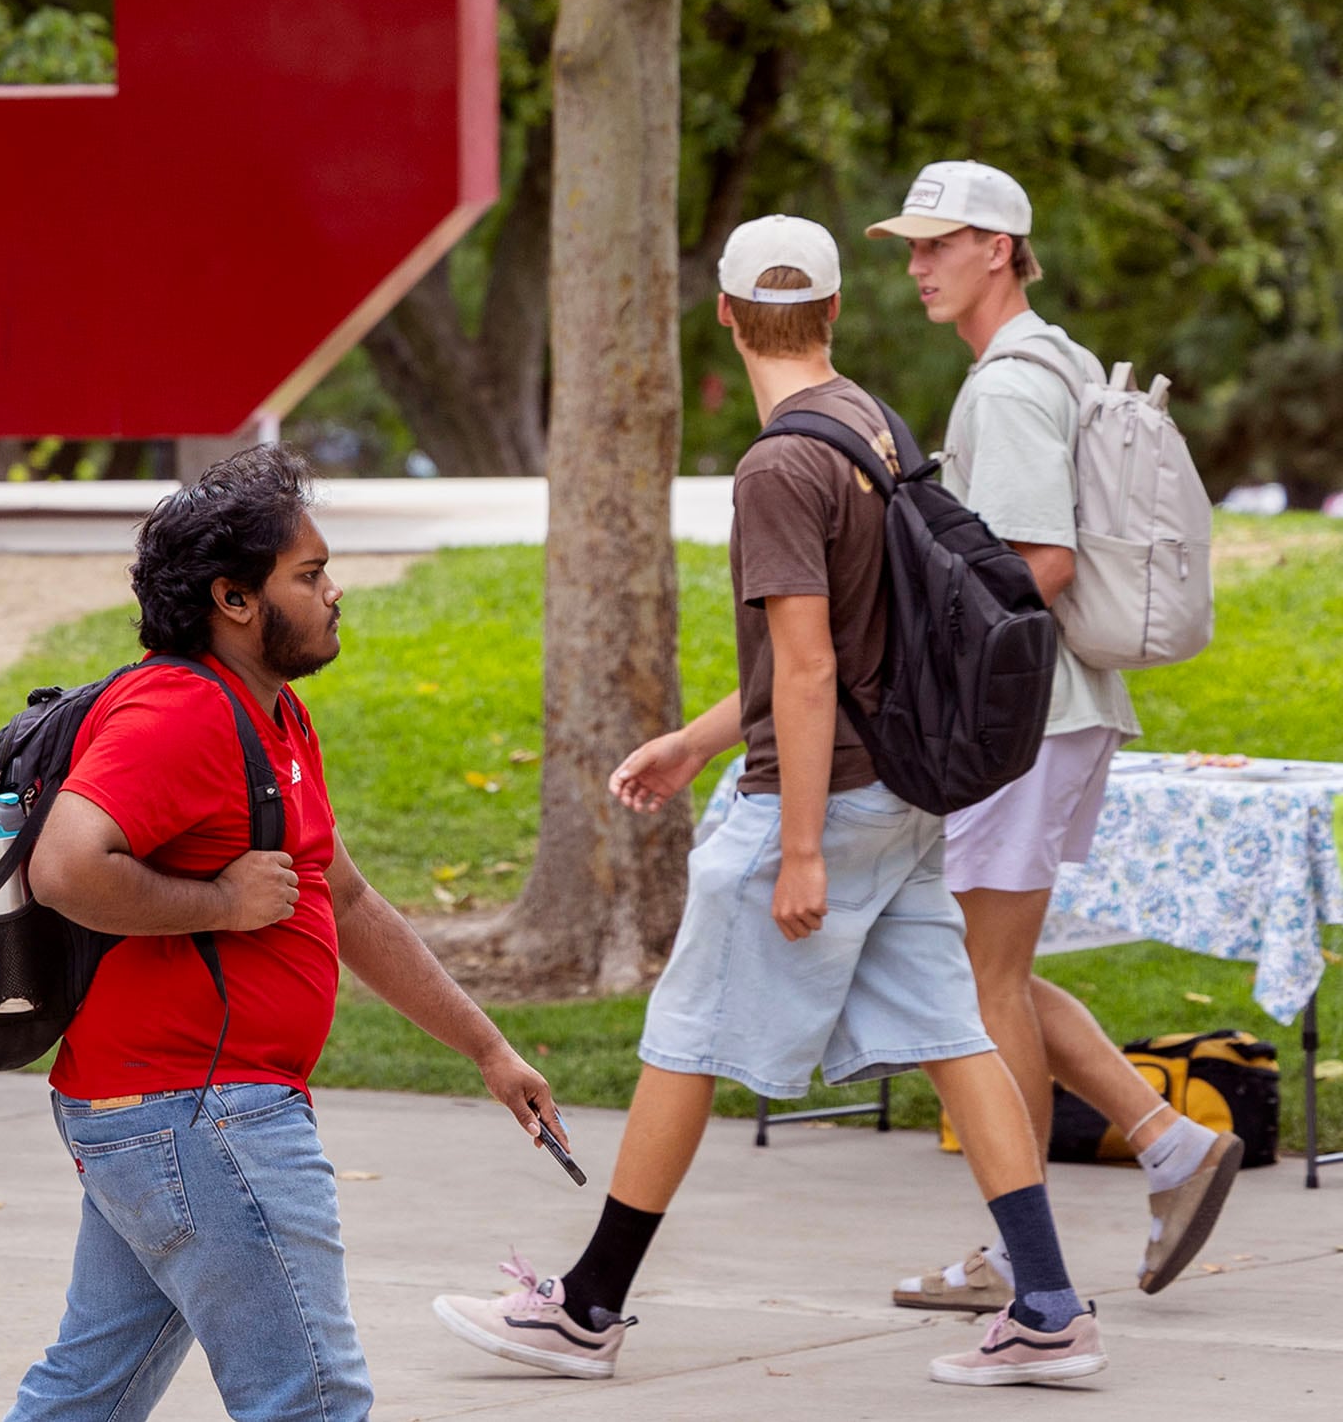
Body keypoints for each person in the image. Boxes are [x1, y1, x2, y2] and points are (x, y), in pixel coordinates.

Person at [431, 216, 1109, 1389]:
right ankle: (1048, 1302)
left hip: (825, 802)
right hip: (900, 791)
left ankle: (586, 1307)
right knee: (955, 1031)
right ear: (836, 312)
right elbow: (845, 644)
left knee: (683, 1036)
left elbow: (805, 668)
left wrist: (797, 848)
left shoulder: (776, 465)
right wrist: (698, 741)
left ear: (729, 315)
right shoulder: (874, 423)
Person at [3, 446, 561, 1422]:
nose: (335, 591)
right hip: (201, 1113)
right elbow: (63, 865)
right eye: (309, 574)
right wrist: (219, 904)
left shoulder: (274, 716)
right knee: (309, 1395)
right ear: (233, 598)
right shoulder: (181, 711)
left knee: (86, 1399)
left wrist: (486, 1045)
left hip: (166, 1113)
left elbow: (340, 900)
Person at [869, 160, 1238, 1301]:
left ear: (1001, 247)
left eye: (940, 242)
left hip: (1020, 719)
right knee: (998, 970)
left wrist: (918, 644)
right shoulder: (1062, 360)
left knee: (977, 979)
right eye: (913, 245)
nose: (919, 263)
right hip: (1067, 710)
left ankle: (1015, 1259)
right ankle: (1170, 1143)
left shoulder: (1007, 387)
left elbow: (1041, 561)